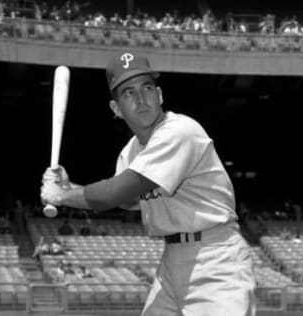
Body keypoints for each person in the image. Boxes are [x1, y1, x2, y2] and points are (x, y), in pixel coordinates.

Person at [41, 52, 256, 316]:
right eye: (129, 93)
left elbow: (116, 191)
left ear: (160, 95)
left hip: (215, 258)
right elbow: (126, 200)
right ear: (116, 109)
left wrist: (61, 197)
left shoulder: (180, 131)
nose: (141, 99)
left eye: (147, 88)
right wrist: (68, 187)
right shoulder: (130, 152)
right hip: (171, 261)